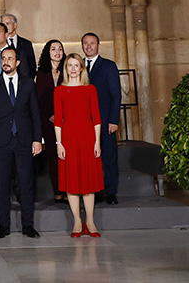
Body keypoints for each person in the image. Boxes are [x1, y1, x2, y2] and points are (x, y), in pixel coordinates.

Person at [0, 48, 43, 239]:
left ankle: (28, 225)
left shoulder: (27, 84)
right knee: (1, 186)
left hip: (25, 141)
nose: (6, 61)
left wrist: (37, 139)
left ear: (17, 62)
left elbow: (35, 113)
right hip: (1, 143)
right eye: (3, 58)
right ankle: (3, 226)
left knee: (25, 184)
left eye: (10, 58)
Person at [55, 53, 104, 237]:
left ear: (82, 68)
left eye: (77, 65)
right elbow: (58, 120)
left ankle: (90, 221)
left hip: (88, 139)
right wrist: (59, 143)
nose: (73, 69)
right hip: (68, 140)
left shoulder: (90, 89)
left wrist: (97, 142)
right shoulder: (59, 91)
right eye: (70, 66)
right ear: (65, 69)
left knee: (88, 182)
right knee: (72, 182)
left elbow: (96, 119)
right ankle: (77, 221)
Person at [81, 32, 121, 204]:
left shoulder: (108, 66)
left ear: (98, 45)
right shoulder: (77, 65)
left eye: (92, 43)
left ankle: (111, 191)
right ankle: (95, 191)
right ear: (82, 45)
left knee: (109, 156)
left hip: (105, 121)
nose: (89, 46)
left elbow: (116, 95)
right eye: (85, 43)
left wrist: (113, 120)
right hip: (83, 122)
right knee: (89, 158)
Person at [36, 40, 66, 200]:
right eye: (53, 49)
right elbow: (40, 98)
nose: (57, 52)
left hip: (68, 121)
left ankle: (69, 189)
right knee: (53, 157)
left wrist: (63, 115)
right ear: (48, 52)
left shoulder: (69, 70)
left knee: (67, 156)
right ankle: (58, 191)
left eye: (60, 49)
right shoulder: (41, 74)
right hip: (48, 121)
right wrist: (51, 115)